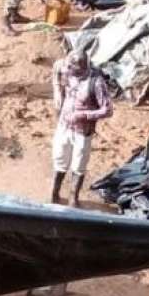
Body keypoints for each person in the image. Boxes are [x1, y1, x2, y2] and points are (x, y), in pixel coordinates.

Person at [51, 46, 113, 207]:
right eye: (68, 68)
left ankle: (73, 197)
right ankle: (54, 194)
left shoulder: (95, 82)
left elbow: (108, 109)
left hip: (82, 130)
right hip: (64, 124)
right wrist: (57, 92)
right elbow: (56, 70)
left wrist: (84, 115)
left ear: (83, 68)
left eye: (73, 70)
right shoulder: (64, 67)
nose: (69, 72)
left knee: (79, 164)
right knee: (59, 158)